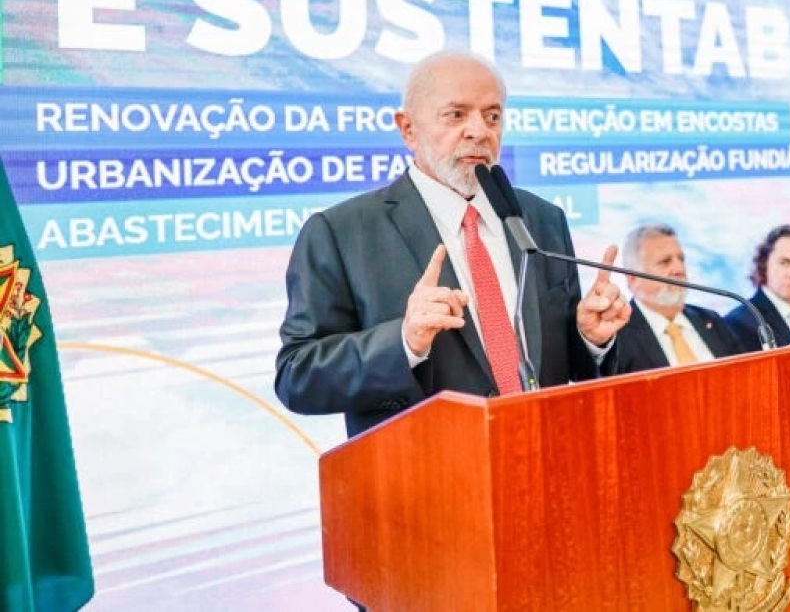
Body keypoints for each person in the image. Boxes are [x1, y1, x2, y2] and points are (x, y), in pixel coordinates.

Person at [275, 51, 632, 440]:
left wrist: (591, 338)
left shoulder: (540, 219)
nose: (479, 131)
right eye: (456, 115)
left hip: (543, 456)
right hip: (430, 467)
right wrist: (403, 342)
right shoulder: (340, 232)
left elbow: (562, 364)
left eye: (492, 116)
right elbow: (297, 376)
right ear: (408, 129)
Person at [602, 223, 748, 375]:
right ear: (633, 278)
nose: (679, 269)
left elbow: (745, 374)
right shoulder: (616, 336)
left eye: (681, 259)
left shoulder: (710, 319)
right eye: (665, 262)